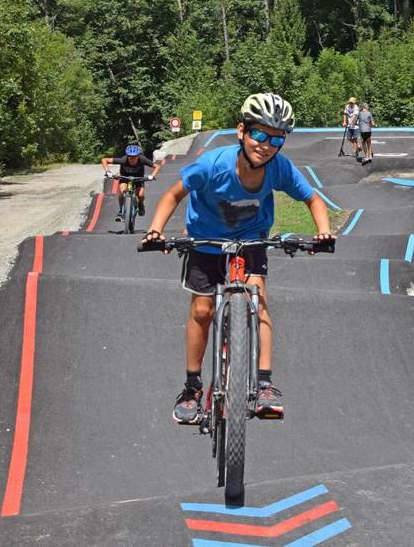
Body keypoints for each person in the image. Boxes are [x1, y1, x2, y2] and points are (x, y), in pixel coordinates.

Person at [141, 93, 333, 424]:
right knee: (202, 311)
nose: (267, 144)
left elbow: (313, 200)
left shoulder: (279, 169)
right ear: (242, 130)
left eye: (277, 138)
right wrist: (156, 231)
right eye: (259, 134)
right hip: (205, 241)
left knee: (258, 300)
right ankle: (191, 387)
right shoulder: (212, 165)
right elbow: (173, 195)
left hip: (250, 241)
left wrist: (324, 232)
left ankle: (265, 384)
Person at [101, 144, 161, 220]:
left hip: (138, 178)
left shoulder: (142, 159)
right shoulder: (123, 160)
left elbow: (157, 166)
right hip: (125, 177)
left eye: (134, 156)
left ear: (138, 156)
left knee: (141, 195)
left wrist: (152, 176)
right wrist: (108, 171)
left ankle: (140, 205)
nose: (131, 158)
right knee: (122, 192)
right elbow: (104, 160)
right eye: (129, 156)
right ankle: (120, 211)